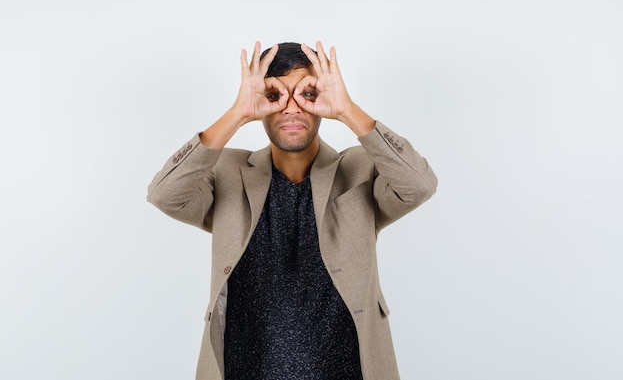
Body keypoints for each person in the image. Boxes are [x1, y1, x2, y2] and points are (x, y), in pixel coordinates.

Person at [147, 41, 438, 380]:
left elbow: (419, 184)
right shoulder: (227, 172)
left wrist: (347, 110)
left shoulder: (361, 169)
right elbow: (165, 194)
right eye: (274, 96)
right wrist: (236, 114)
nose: (291, 108)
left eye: (307, 94)